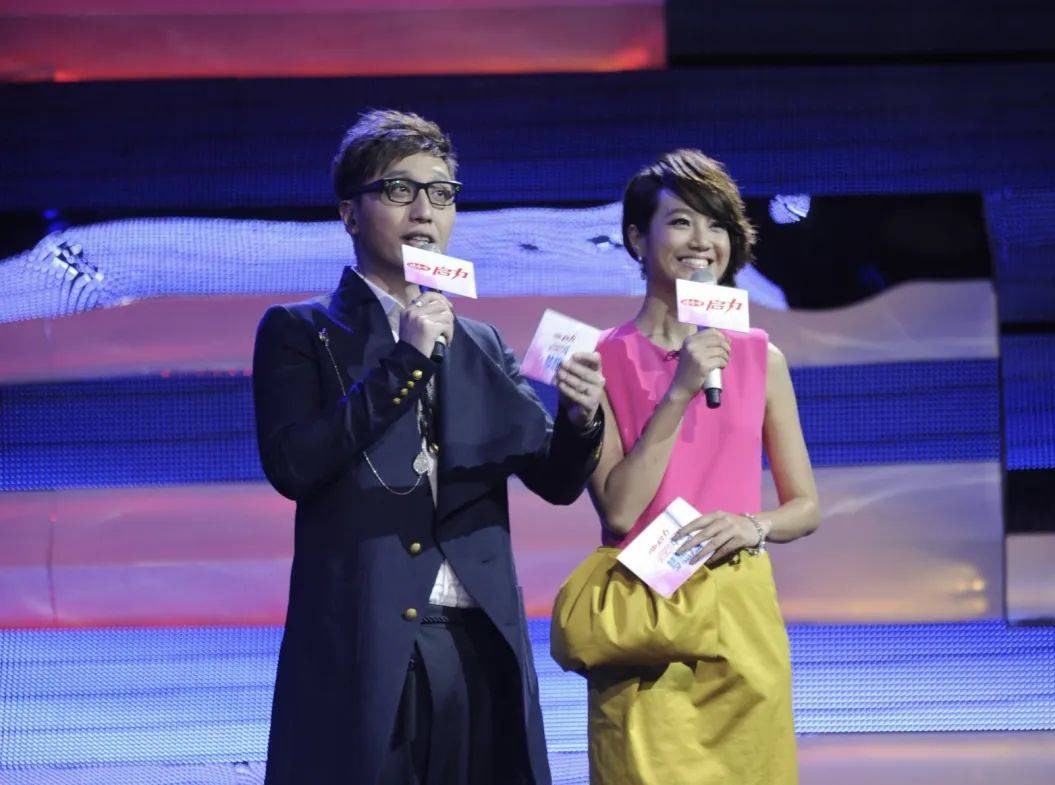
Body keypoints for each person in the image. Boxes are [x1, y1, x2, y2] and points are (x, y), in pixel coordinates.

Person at [252, 109, 606, 785]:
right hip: (367, 637)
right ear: (350, 214)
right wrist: (405, 360)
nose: (424, 211)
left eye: (441, 194)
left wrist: (581, 416)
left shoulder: (479, 341)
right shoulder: (301, 330)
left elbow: (556, 479)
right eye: (399, 190)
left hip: (476, 636)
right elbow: (295, 464)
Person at [551, 149, 820, 785]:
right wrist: (680, 389)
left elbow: (805, 506)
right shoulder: (595, 360)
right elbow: (620, 509)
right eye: (680, 222)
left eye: (716, 225)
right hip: (645, 619)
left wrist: (753, 525)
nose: (702, 241)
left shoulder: (762, 358)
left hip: (740, 618)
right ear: (636, 239)